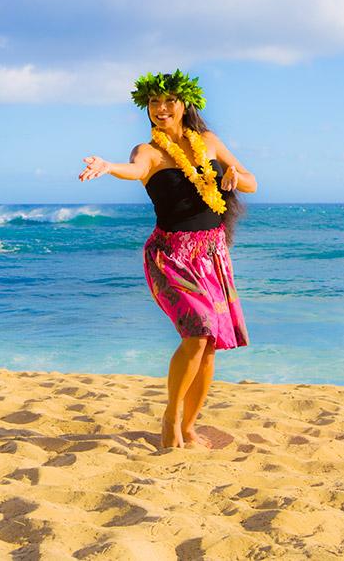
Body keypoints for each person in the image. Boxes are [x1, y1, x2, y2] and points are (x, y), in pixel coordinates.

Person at [78, 70, 257, 449]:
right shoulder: (148, 152)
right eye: (153, 102)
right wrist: (108, 167)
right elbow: (135, 171)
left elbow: (251, 181)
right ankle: (171, 417)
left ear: (184, 104)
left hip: (212, 254)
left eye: (168, 101)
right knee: (198, 332)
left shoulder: (208, 142)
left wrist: (232, 175)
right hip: (171, 256)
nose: (161, 108)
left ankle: (189, 426)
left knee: (209, 347)